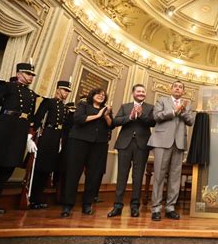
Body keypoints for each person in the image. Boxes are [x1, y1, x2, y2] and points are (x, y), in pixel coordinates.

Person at [60, 88, 112, 217]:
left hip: (99, 144)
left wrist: (105, 116)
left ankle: (87, 204)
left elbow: (111, 125)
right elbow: (78, 119)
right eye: (98, 94)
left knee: (93, 175)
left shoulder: (106, 109)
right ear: (92, 95)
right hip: (79, 142)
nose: (101, 96)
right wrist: (98, 116)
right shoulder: (83, 104)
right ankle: (67, 205)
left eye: (103, 95)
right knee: (73, 172)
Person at [0, 63, 38, 214]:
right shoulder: (6, 86)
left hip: (20, 132)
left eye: (32, 75)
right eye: (28, 74)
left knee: (8, 166)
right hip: (3, 128)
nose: (31, 77)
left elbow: (31, 117)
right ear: (19, 74)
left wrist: (28, 137)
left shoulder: (32, 94)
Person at [107, 84, 155, 218]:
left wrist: (141, 115)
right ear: (133, 93)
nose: (141, 93)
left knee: (138, 176)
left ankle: (135, 207)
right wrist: (130, 117)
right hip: (125, 144)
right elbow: (115, 121)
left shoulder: (150, 107)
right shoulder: (125, 106)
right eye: (138, 91)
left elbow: (153, 122)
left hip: (142, 145)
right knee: (121, 176)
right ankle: (117, 206)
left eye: (143, 92)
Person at [148, 81, 194, 221]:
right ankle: (156, 208)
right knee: (159, 176)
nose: (178, 89)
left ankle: (170, 208)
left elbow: (190, 121)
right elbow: (156, 116)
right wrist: (174, 111)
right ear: (171, 89)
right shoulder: (162, 100)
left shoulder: (188, 104)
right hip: (162, 142)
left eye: (181, 87)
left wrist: (182, 111)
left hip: (179, 143)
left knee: (175, 177)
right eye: (176, 86)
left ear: (183, 91)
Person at [29, 80, 71, 209]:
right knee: (39, 168)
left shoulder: (65, 108)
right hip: (46, 134)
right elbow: (38, 118)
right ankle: (31, 198)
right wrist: (30, 136)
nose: (66, 93)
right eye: (64, 90)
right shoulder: (48, 102)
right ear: (58, 89)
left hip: (56, 137)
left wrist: (61, 141)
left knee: (47, 168)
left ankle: (38, 197)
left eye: (68, 91)